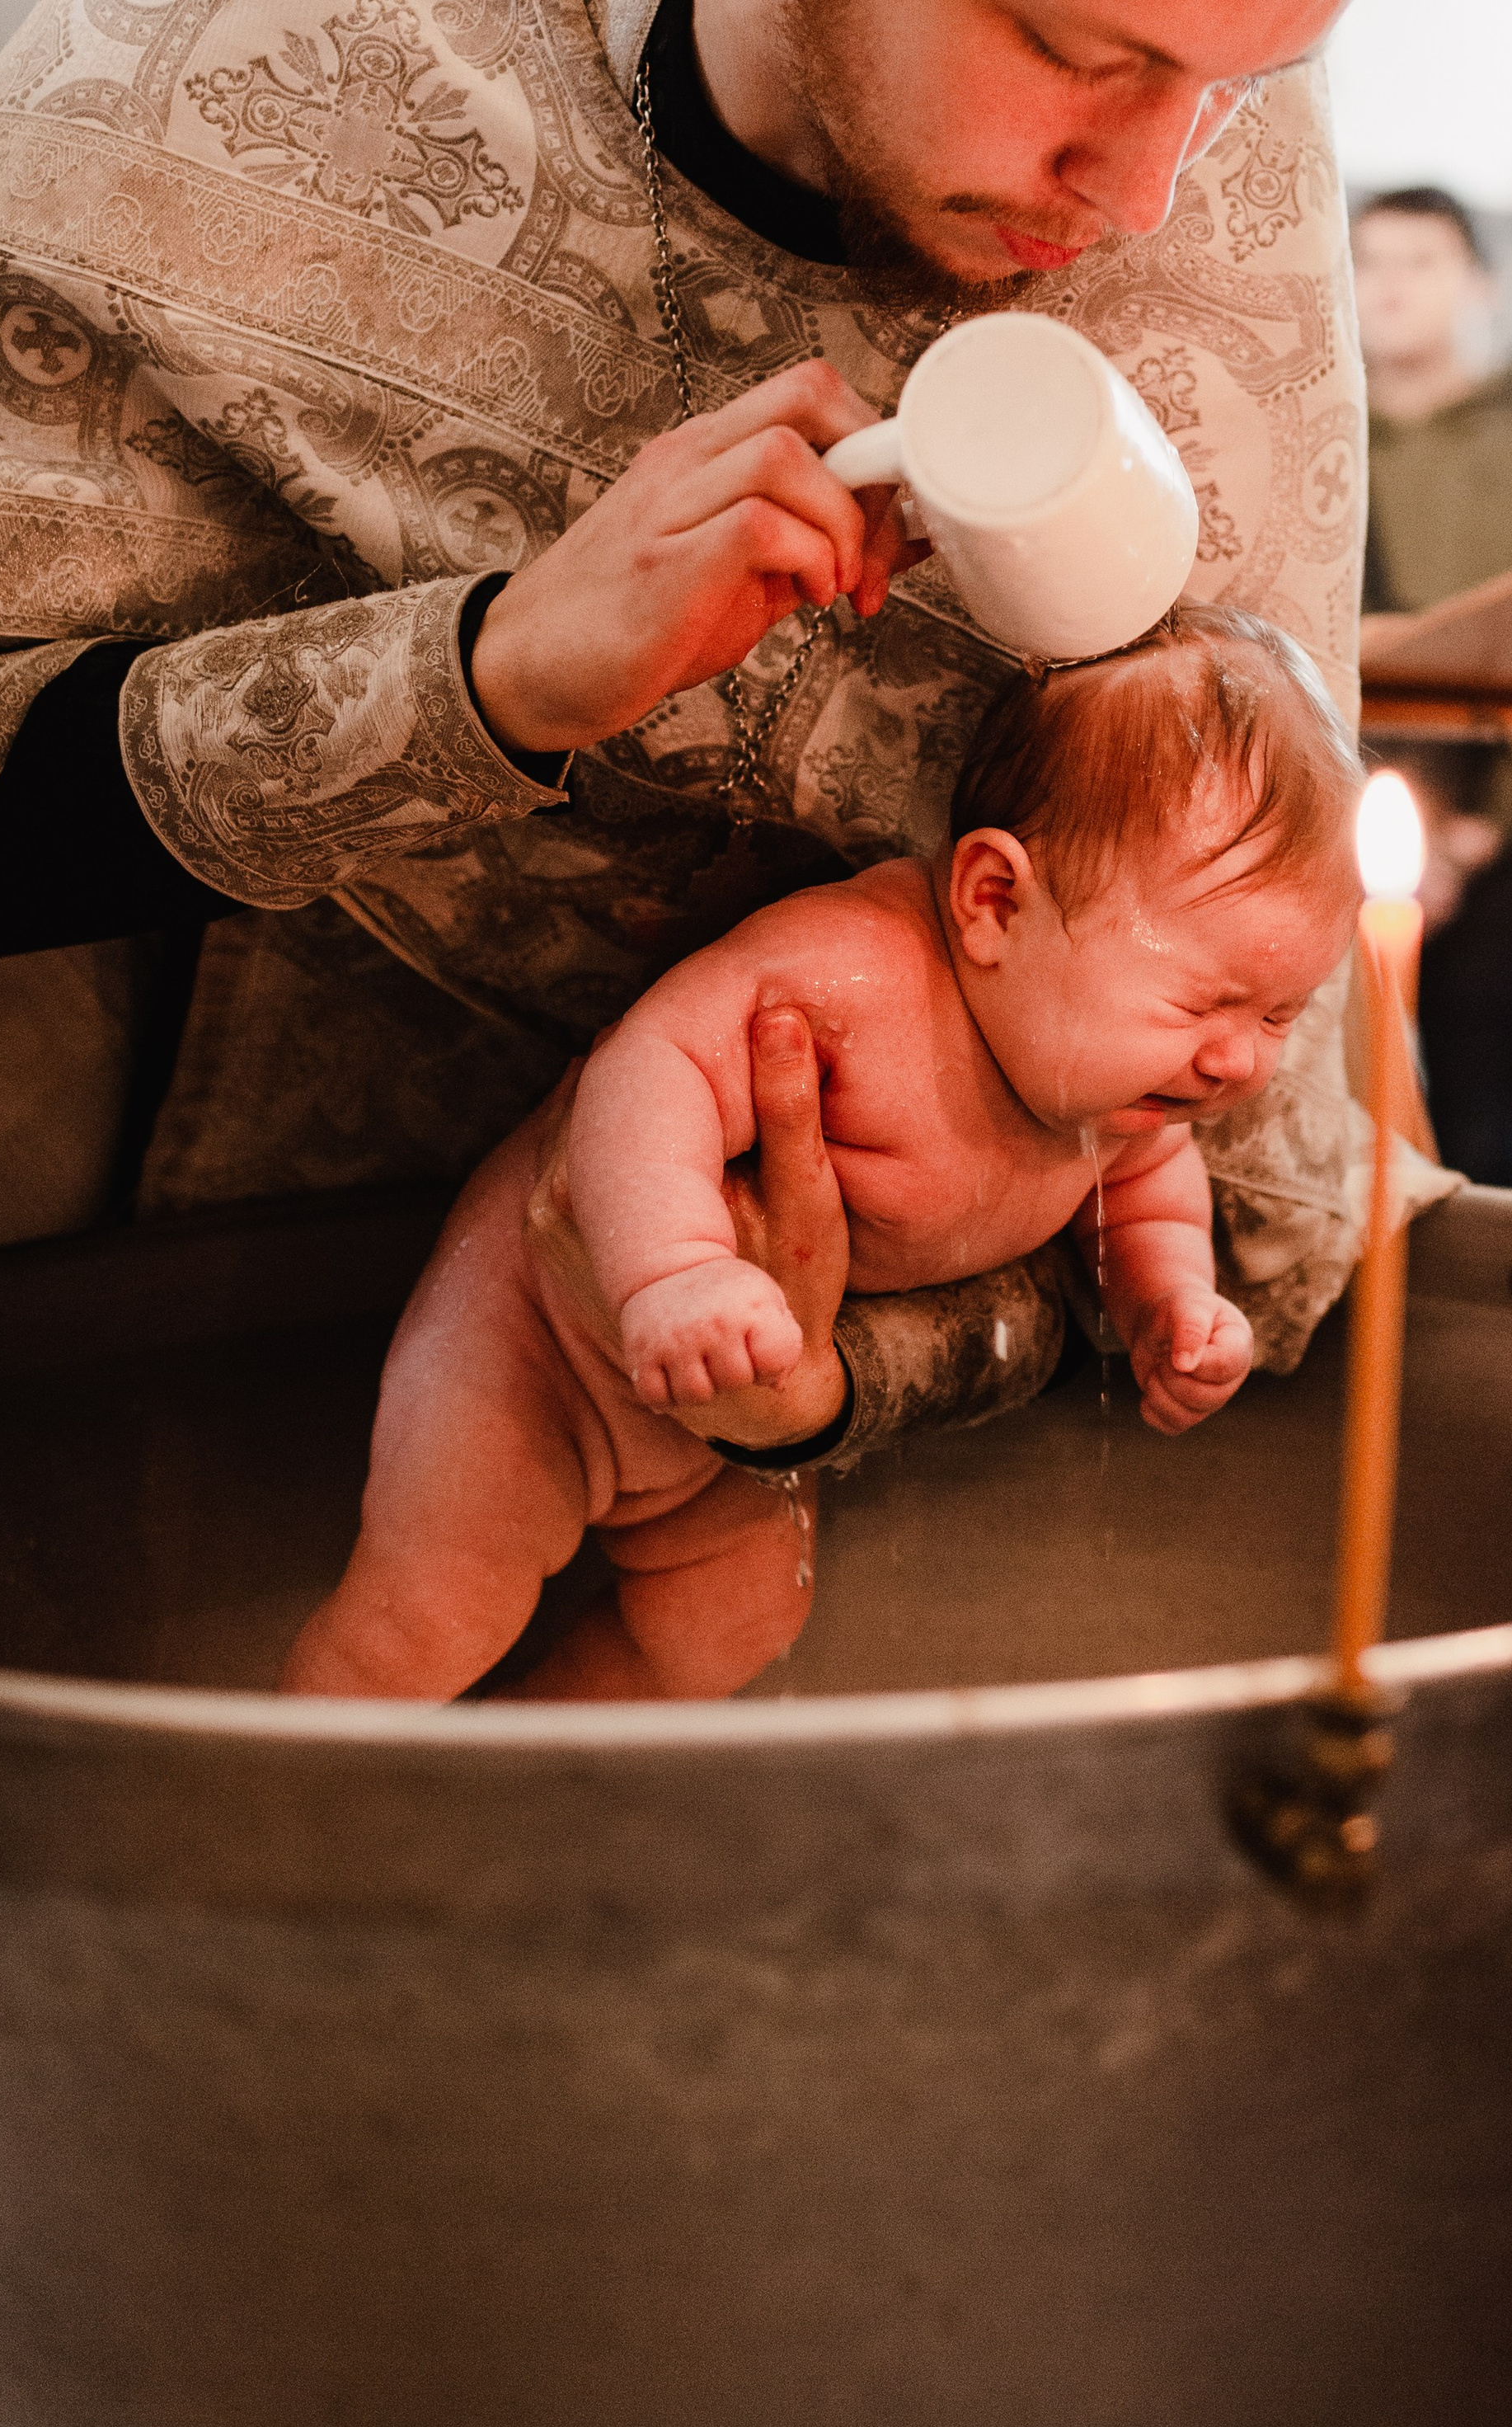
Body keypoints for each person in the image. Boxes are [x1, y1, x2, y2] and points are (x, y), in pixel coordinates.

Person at [0, 0, 1500, 1474]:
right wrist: (484, 681)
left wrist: (841, 1370)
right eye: (1085, 51)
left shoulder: (1189, 169)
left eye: (1242, 79)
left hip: (887, 1453)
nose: (1155, 190)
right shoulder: (283, 75)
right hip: (260, 1365)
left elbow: (1242, 1177)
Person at [282, 609, 1364, 1700]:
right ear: (996, 903)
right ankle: (261, 1832)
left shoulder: (1121, 1103)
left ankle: (511, 1795)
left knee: (738, 1615)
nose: (1236, 1060)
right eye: (1206, 1001)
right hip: (533, 1341)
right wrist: (673, 1269)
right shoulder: (859, 975)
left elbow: (1146, 1203)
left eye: (1280, 1016)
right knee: (433, 1613)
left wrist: (1168, 1305)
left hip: (718, 1412)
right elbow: (650, 1067)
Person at [1355, 186, 1512, 1183]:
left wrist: (1479, 831)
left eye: (1423, 261)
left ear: (1478, 282)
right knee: (1339, 1127)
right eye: (1370, 261)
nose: (1392, 286)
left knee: (1481, 1139)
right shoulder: (1310, 438)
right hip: (1327, 833)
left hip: (1498, 850)